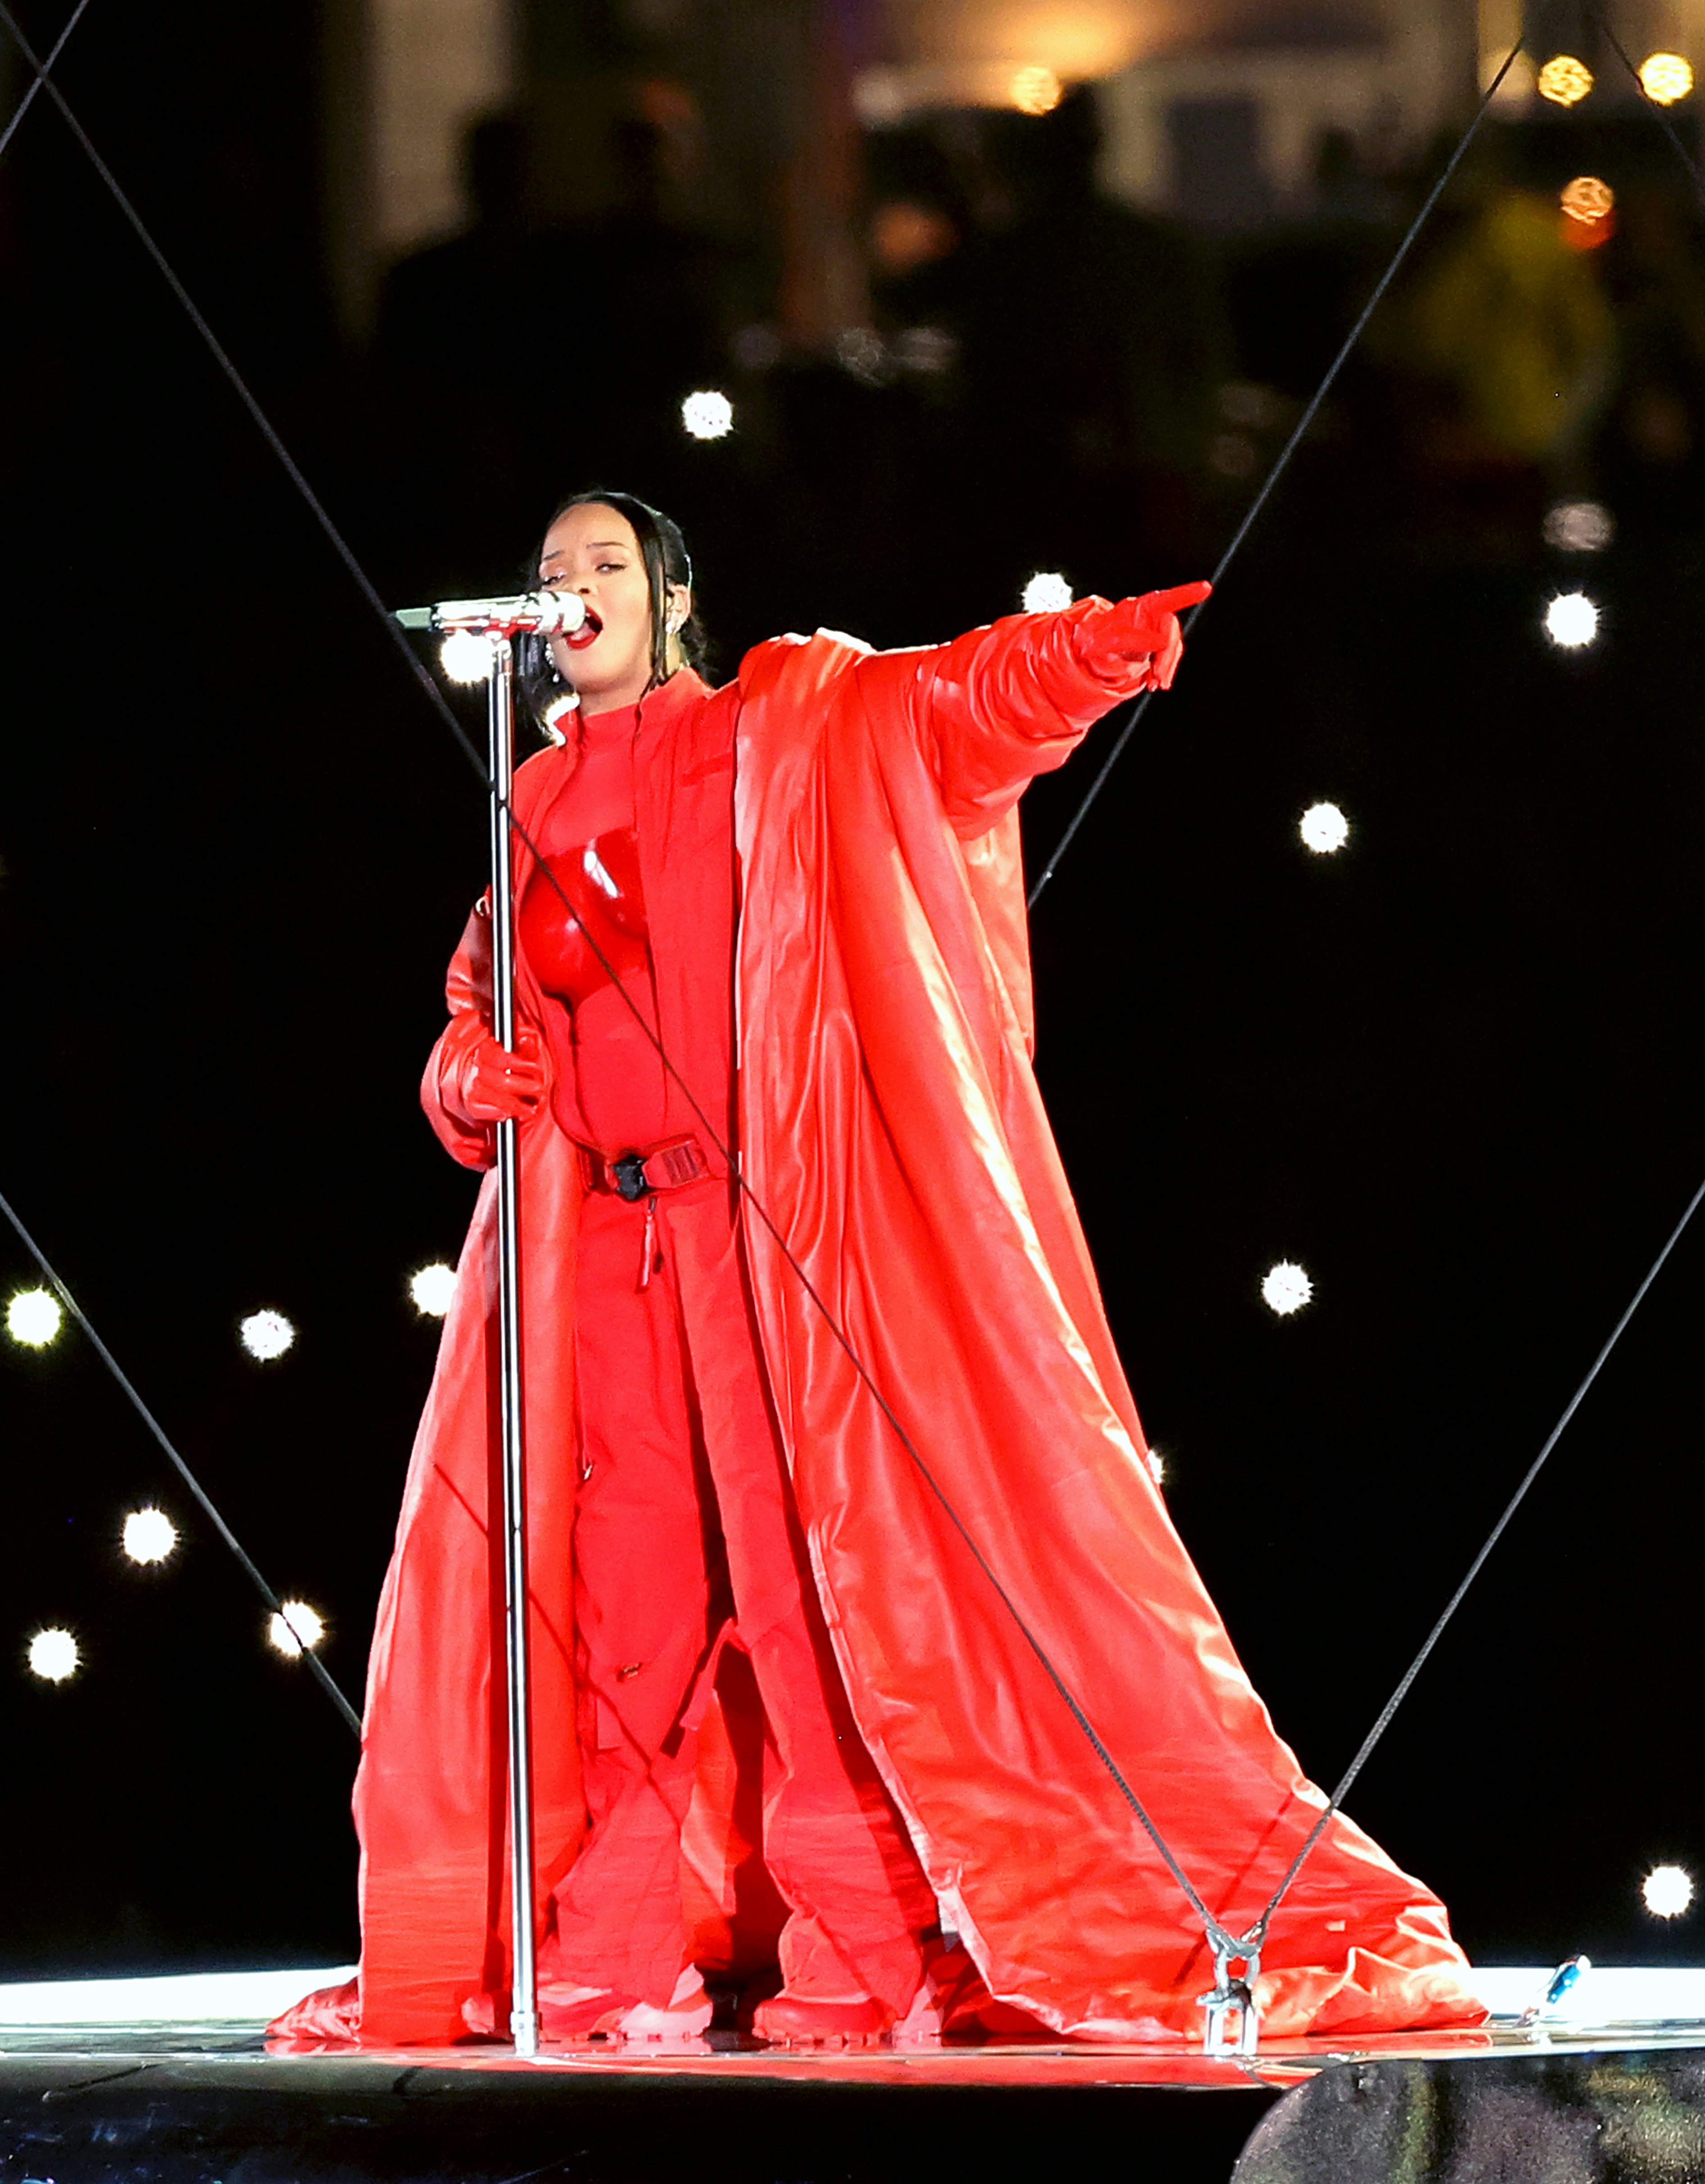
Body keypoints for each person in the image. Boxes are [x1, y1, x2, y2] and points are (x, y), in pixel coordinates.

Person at [273, 492, 1481, 2051]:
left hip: (764, 1243)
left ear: (673, 595)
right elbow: (476, 1004)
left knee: (804, 1595)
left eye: (605, 567)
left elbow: (946, 710)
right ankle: (608, 1957)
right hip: (606, 1256)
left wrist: (1081, 655)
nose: (572, 592)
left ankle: (868, 1959)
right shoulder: (536, 798)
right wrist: (469, 1077)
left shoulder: (783, 727)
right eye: (550, 573)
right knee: (619, 1616)